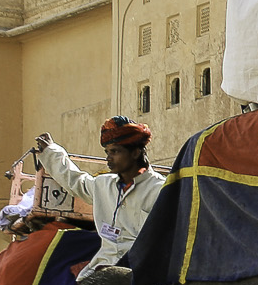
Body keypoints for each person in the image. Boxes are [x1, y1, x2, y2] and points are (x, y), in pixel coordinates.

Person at [31, 117, 165, 276]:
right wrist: (51, 152)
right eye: (107, 152)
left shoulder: (160, 190)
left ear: (135, 153)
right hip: (103, 266)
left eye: (115, 151)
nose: (108, 158)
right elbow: (74, 181)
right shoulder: (103, 184)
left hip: (141, 271)